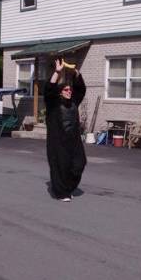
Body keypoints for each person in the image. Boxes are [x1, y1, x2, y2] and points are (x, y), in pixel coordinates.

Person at [44, 58, 87, 202]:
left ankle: (69, 187)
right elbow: (49, 90)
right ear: (60, 92)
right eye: (66, 89)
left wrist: (75, 72)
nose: (69, 91)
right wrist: (57, 72)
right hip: (58, 142)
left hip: (73, 141)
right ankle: (62, 193)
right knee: (60, 167)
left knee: (79, 164)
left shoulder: (74, 101)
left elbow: (81, 89)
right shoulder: (53, 103)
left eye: (70, 89)